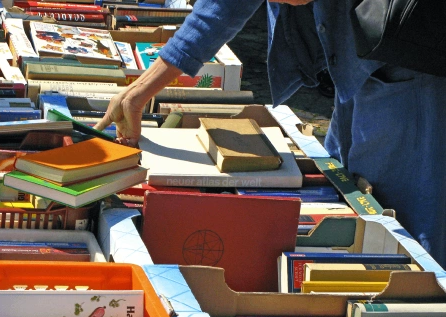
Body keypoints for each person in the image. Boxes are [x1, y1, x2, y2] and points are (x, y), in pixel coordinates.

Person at [94, 0, 446, 269]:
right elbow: (221, 7)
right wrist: (141, 89)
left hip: (406, 53)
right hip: (351, 59)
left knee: (408, 235)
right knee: (350, 202)